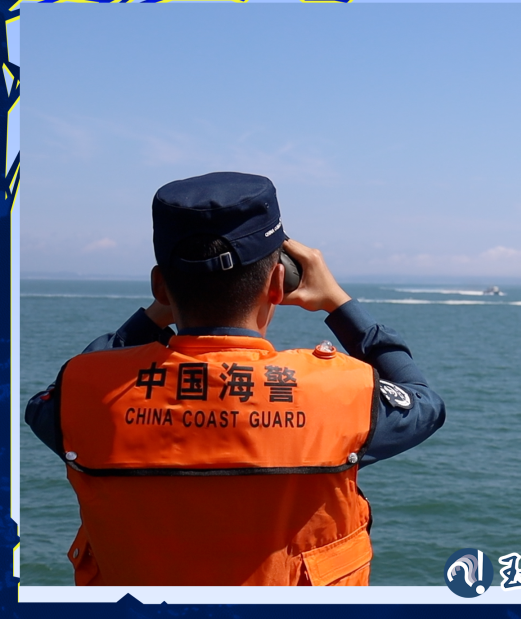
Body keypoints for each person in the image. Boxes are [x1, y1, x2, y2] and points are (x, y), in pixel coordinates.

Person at [24, 172, 445, 586]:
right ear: (279, 282)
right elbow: (423, 402)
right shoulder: (341, 394)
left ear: (160, 286)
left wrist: (158, 311)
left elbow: (69, 389)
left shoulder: (86, 397)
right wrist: (338, 303)